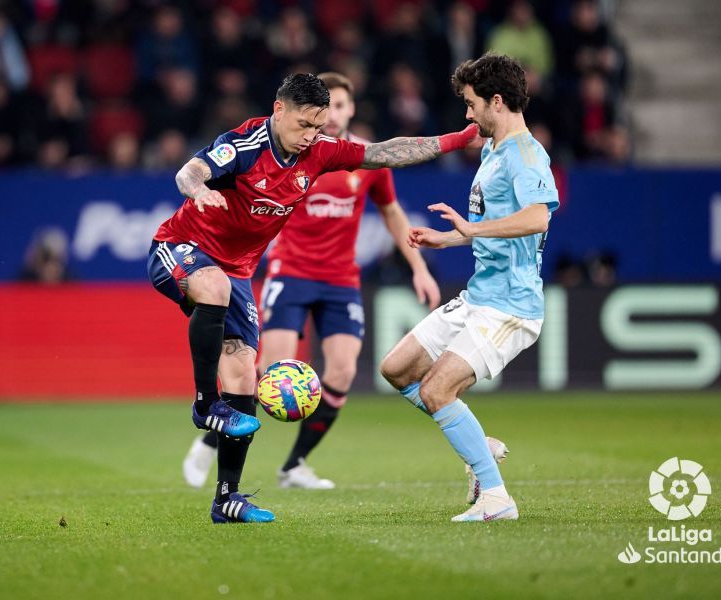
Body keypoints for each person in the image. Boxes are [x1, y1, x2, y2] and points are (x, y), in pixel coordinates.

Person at [147, 73, 479, 524]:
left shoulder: (320, 152)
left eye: (318, 127)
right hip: (179, 247)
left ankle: (228, 497)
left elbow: (385, 152)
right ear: (278, 109)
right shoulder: (245, 143)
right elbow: (190, 171)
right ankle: (206, 404)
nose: (311, 137)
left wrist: (457, 140)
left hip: (237, 271)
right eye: (305, 125)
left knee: (245, 371)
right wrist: (201, 191)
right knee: (217, 290)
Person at [379, 54, 560, 523]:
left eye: (470, 103)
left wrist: (472, 231)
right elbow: (489, 224)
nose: (467, 115)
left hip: (510, 307)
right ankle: (478, 445)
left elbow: (538, 217)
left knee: (439, 391)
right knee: (397, 368)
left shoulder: (526, 154)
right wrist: (451, 237)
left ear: (496, 102)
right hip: (480, 296)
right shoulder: (492, 151)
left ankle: (497, 499)